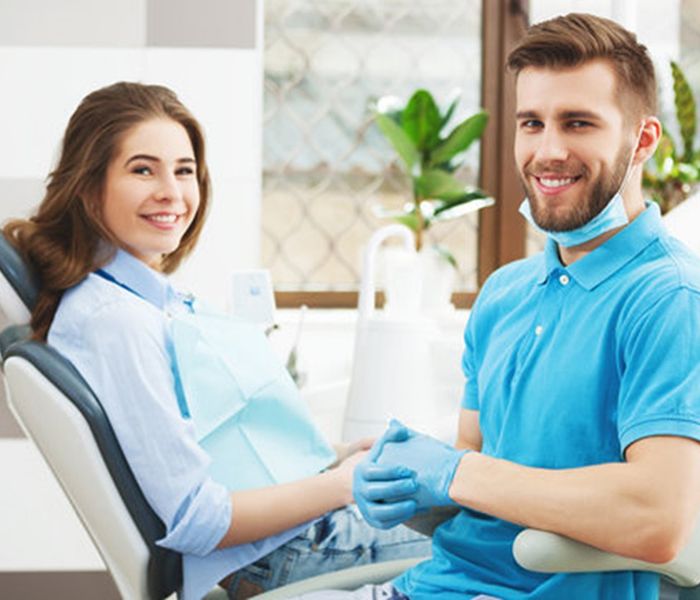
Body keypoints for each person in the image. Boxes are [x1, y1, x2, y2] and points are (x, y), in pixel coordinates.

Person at [302, 12, 700, 600]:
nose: (548, 150)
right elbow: (478, 473)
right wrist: (414, 492)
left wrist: (458, 473)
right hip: (432, 584)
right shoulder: (504, 293)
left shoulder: (668, 300)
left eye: (578, 123)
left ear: (642, 140)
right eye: (532, 123)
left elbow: (657, 519)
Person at [3, 82, 429, 600]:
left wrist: (336, 457)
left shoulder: (140, 301)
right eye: (143, 169)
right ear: (90, 188)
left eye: (184, 170)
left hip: (287, 542)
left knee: (478, 504)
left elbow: (209, 447)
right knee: (501, 538)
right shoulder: (116, 322)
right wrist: (341, 485)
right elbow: (197, 518)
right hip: (281, 556)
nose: (172, 192)